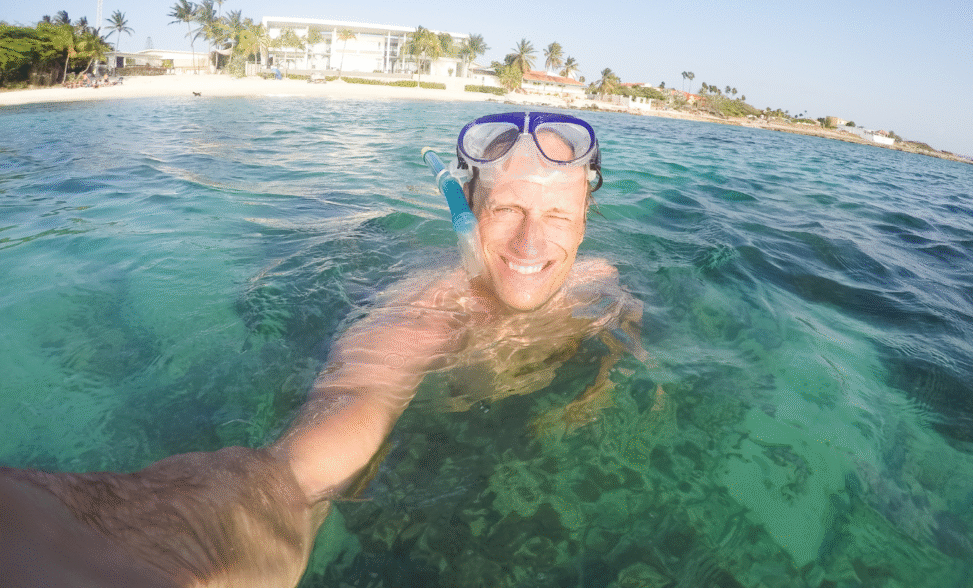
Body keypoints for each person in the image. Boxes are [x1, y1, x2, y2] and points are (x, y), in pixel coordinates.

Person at [0, 112, 641, 586]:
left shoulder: (601, 281)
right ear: (470, 208)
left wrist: (602, 385)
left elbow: (624, 326)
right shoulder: (418, 315)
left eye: (557, 215)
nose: (532, 243)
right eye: (507, 210)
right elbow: (306, 463)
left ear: (585, 216)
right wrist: (141, 549)